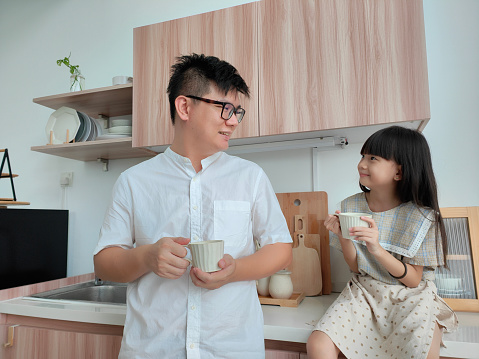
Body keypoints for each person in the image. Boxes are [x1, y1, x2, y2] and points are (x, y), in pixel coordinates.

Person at [93, 54, 292, 358]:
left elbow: (280, 248)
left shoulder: (250, 177)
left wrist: (235, 269)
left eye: (237, 111)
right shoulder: (133, 181)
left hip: (232, 348)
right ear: (184, 106)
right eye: (224, 108)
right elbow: (104, 263)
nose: (234, 121)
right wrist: (147, 257)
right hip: (153, 348)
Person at [307, 126, 458, 359]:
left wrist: (377, 250)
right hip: (364, 292)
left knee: (423, 351)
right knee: (318, 343)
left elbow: (413, 280)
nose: (362, 164)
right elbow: (357, 268)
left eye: (373, 158)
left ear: (399, 172)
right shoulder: (350, 206)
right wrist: (341, 235)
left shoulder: (423, 217)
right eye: (363, 156)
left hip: (411, 298)